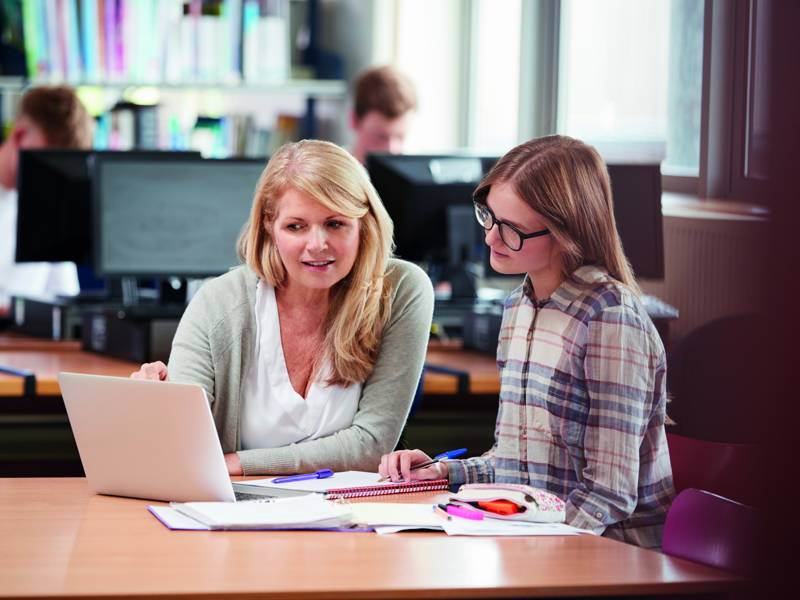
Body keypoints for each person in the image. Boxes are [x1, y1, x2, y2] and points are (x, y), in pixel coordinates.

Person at [379, 135, 674, 548]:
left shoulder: (609, 320)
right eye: (489, 217)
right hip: (535, 537)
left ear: (567, 232)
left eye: (513, 230)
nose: (490, 240)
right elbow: (518, 463)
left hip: (610, 554)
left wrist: (525, 546)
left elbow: (608, 496)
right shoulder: (520, 306)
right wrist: (445, 473)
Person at [131, 139, 434, 476]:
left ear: (364, 225)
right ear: (269, 227)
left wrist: (240, 463)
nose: (317, 244)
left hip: (351, 514)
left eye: (335, 223)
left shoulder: (401, 290)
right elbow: (185, 447)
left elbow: (371, 446)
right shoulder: (219, 303)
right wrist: (153, 407)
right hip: (234, 513)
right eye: (296, 226)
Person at [0, 85, 94, 316]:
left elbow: (64, 298)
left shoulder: (49, 208)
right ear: (20, 136)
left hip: (24, 347)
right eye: (44, 163)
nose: (51, 178)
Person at [349, 65, 417, 165]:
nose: (391, 150)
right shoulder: (327, 177)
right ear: (354, 120)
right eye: (380, 137)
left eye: (400, 137)